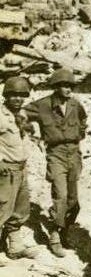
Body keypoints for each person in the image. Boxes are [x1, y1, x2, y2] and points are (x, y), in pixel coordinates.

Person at [23, 68, 87, 258]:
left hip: (74, 154)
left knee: (73, 201)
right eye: (64, 85)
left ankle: (64, 232)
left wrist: (80, 133)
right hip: (56, 154)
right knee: (61, 194)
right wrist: (28, 130)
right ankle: (54, 237)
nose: (68, 89)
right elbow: (21, 113)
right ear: (56, 87)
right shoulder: (43, 105)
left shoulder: (76, 105)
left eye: (70, 85)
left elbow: (83, 120)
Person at [0, 76, 36, 261]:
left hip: (21, 168)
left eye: (22, 95)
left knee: (20, 209)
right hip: (5, 169)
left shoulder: (21, 115)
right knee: (2, 207)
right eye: (14, 95)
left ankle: (15, 247)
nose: (18, 99)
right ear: (6, 96)